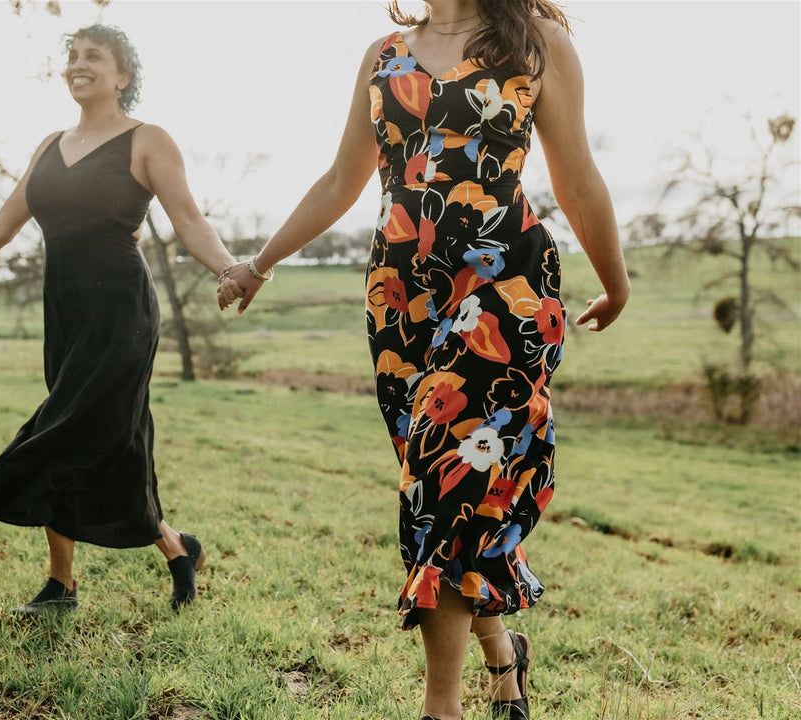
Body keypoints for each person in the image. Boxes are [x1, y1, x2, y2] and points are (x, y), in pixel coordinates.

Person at [218, 1, 629, 718]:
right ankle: (505, 657)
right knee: (447, 487)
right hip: (401, 297)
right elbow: (342, 179)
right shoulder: (383, 54)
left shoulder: (536, 42)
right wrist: (261, 262)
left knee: (446, 476)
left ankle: (441, 707)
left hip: (506, 284)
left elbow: (576, 174)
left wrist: (616, 281)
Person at [0, 24, 235, 615]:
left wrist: (228, 267)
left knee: (69, 433)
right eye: (71, 57)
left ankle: (71, 583)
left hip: (121, 313)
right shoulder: (48, 147)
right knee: (99, 439)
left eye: (93, 57)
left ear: (123, 76)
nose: (77, 65)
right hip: (65, 311)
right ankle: (165, 551)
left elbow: (190, 220)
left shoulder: (147, 140)